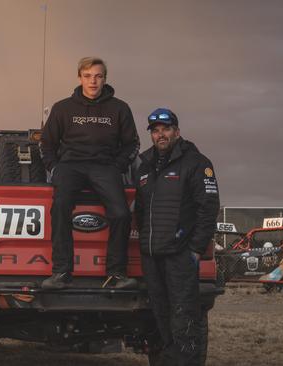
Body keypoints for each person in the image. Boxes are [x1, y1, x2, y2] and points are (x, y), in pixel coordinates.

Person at [40, 57, 140, 289]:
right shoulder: (62, 108)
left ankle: (116, 274)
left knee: (121, 213)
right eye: (88, 76)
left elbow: (132, 144)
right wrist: (54, 168)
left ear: (105, 78)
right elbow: (46, 144)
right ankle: (61, 272)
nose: (93, 81)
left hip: (105, 167)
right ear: (79, 78)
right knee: (61, 206)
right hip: (69, 166)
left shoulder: (119, 108)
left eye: (98, 76)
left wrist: (118, 166)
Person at [134, 108, 220, 365]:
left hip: (180, 254)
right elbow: (140, 208)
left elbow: (208, 208)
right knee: (160, 316)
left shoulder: (197, 162)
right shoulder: (144, 165)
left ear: (177, 131)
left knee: (184, 318)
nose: (161, 135)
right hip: (152, 255)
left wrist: (194, 248)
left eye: (166, 129)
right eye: (156, 131)